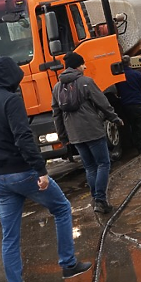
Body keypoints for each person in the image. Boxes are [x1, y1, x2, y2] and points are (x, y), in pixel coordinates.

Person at [0, 56, 91, 282]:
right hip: (22, 172)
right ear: (10, 76)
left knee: (10, 237)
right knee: (60, 208)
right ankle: (68, 264)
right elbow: (23, 136)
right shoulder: (11, 100)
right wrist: (40, 169)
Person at [51, 50, 123, 214]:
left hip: (74, 135)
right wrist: (115, 118)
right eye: (83, 64)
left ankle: (95, 198)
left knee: (90, 167)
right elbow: (103, 103)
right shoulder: (86, 82)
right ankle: (100, 200)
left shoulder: (57, 87)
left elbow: (56, 113)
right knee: (103, 163)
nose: (84, 66)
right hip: (92, 130)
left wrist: (63, 136)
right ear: (78, 66)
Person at [117, 55, 141, 155]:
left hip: (126, 106)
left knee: (133, 127)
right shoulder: (136, 74)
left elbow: (119, 92)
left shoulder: (120, 77)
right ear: (130, 63)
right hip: (139, 103)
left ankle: (138, 147)